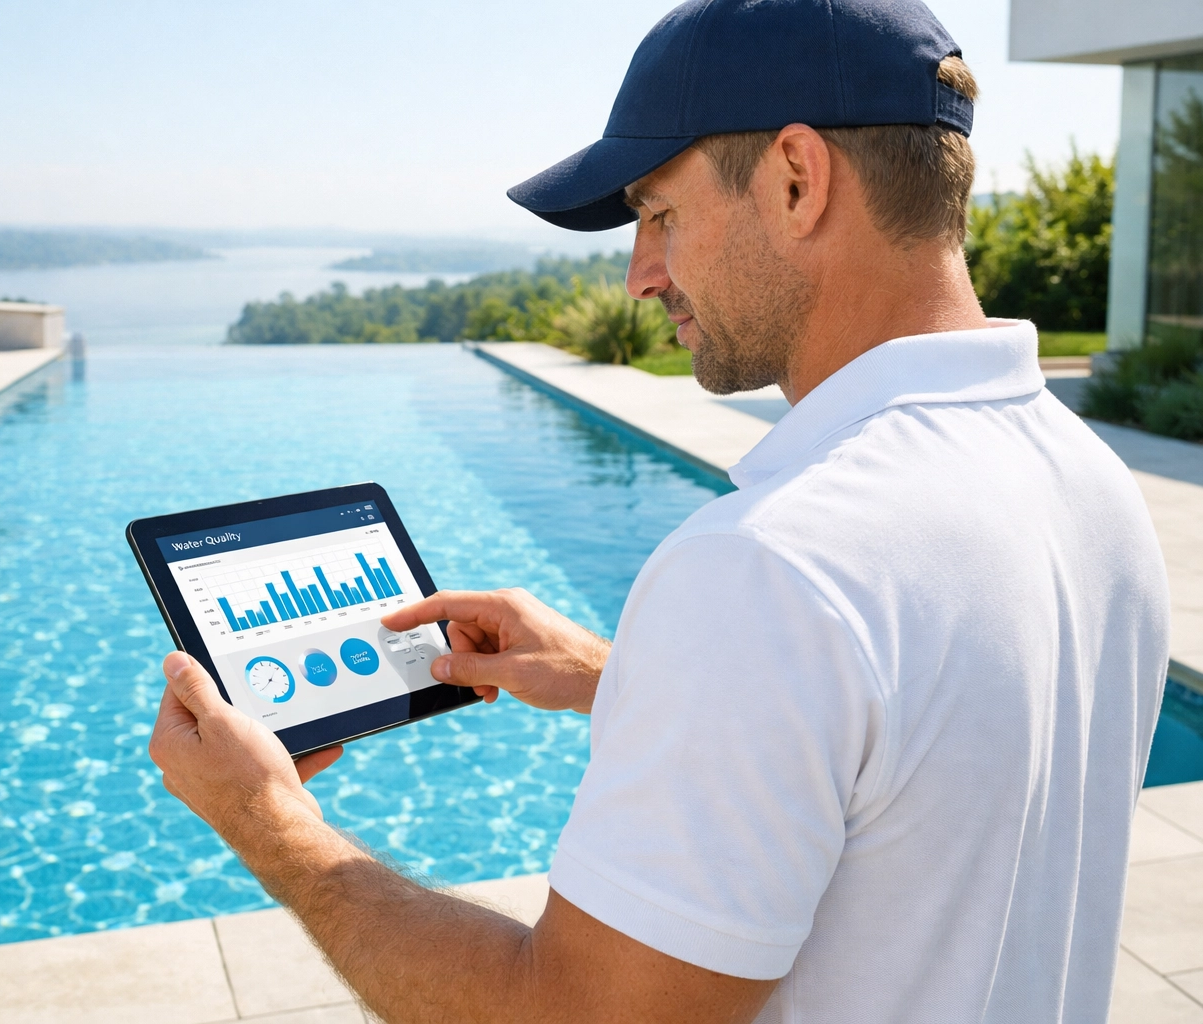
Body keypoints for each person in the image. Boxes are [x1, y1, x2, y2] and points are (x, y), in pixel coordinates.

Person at [148, 0, 1170, 1020]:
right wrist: (622, 676)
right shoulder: (1088, 485)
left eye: (660, 214)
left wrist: (269, 820)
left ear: (796, 180)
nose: (640, 274)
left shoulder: (772, 569)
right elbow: (923, 749)